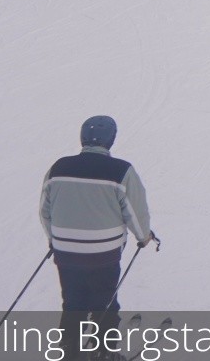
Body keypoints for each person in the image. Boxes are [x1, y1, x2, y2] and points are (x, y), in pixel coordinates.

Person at [40, 116, 153, 333]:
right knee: (104, 300)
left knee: (73, 301)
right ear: (110, 140)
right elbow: (135, 210)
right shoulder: (121, 170)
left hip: (66, 251)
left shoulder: (58, 168)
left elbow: (45, 211)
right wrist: (143, 236)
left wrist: (54, 240)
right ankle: (103, 350)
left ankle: (70, 348)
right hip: (104, 253)